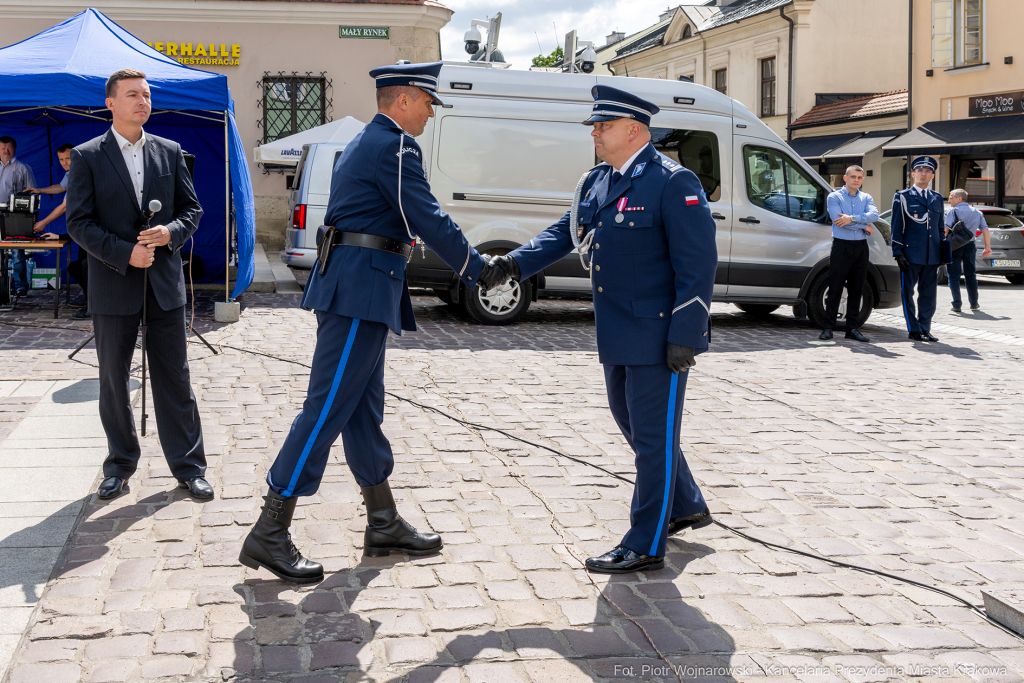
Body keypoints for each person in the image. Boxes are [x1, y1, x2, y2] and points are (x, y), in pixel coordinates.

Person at [239, 62, 498, 584]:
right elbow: (428, 216)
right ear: (402, 101)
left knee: (360, 409)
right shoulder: (395, 146)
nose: (430, 112)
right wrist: (477, 267)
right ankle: (270, 528)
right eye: (427, 102)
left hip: (361, 283)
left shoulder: (367, 140)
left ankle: (382, 521)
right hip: (360, 288)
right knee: (329, 404)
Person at [487, 85, 718, 574]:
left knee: (653, 439)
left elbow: (697, 266)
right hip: (616, 330)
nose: (594, 132)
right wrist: (512, 264)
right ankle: (684, 502)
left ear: (634, 130)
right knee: (634, 425)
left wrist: (687, 334)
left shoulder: (673, 182)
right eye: (596, 125)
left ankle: (646, 542)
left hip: (659, 336)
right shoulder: (600, 180)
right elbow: (563, 232)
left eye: (603, 125)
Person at [66, 69, 212, 502]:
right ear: (110, 103)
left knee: (175, 378)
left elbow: (192, 210)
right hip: (113, 285)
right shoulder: (88, 155)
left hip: (164, 286)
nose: (142, 101)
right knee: (113, 379)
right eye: (132, 95)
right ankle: (120, 464)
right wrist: (122, 252)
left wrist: (170, 232)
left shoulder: (169, 152)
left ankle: (189, 467)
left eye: (146, 95)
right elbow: (78, 222)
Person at [28, 143, 91, 319]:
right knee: (80, 266)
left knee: (86, 267)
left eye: (67, 158)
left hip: (90, 227)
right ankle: (89, 298)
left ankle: (92, 305)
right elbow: (61, 187)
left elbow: (64, 206)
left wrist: (42, 223)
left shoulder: (81, 174)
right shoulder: (70, 174)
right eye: (61, 160)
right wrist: (40, 190)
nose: (64, 163)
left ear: (76, 157)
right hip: (81, 229)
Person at [819, 165, 878, 342]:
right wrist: (864, 225)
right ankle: (828, 327)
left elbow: (874, 215)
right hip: (841, 246)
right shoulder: (834, 197)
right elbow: (838, 222)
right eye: (853, 177)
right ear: (845, 178)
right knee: (835, 286)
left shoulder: (866, 197)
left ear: (863, 179)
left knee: (857, 288)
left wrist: (851, 218)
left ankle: (852, 328)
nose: (856, 180)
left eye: (860, 177)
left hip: (860, 247)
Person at [891, 156, 944, 342]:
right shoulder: (902, 197)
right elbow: (896, 227)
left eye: (927, 171)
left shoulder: (937, 198)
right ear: (913, 174)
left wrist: (943, 252)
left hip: (932, 255)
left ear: (932, 175)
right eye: (920, 170)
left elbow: (940, 229)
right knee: (908, 293)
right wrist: (898, 253)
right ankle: (914, 329)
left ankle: (925, 328)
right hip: (910, 254)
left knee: (929, 295)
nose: (923, 173)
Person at [0, 135, 37, 297]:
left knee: (16, 252)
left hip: (15, 215)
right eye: (2, 148)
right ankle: (2, 286)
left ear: (15, 148)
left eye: (9, 147)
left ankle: (20, 285)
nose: (6, 151)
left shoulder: (23, 168)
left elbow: (32, 193)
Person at [945, 188, 991, 313]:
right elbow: (985, 230)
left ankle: (957, 304)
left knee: (953, 276)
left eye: (951, 197)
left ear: (959, 198)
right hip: (970, 246)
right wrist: (988, 247)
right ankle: (974, 303)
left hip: (954, 247)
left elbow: (945, 231)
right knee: (970, 275)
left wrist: (940, 246)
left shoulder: (953, 212)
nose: (949, 200)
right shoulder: (977, 212)